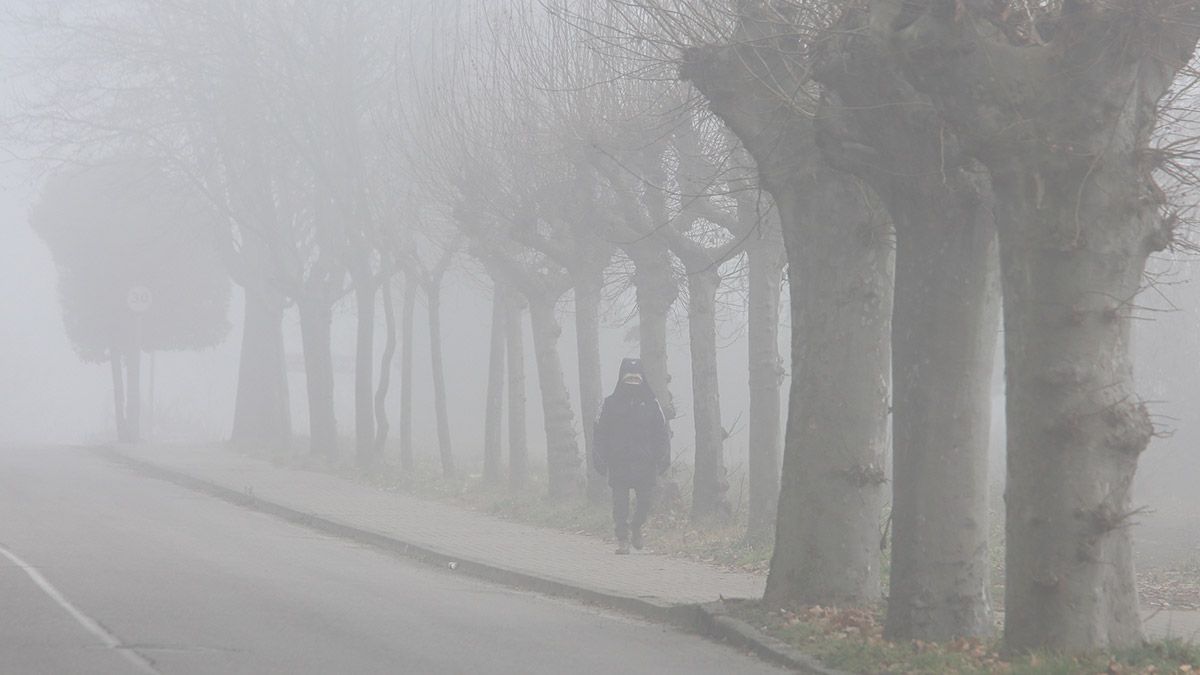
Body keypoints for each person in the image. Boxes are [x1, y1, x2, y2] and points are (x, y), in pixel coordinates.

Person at [593, 358, 670, 555]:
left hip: (645, 463)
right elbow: (600, 432)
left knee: (645, 503)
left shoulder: (652, 404)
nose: (633, 382)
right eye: (629, 378)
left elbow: (661, 432)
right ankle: (622, 539)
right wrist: (600, 457)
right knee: (620, 505)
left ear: (642, 379)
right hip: (619, 462)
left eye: (637, 378)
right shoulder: (609, 404)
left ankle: (636, 527)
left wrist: (662, 457)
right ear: (622, 379)